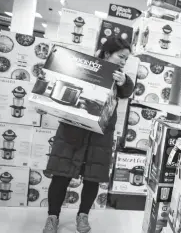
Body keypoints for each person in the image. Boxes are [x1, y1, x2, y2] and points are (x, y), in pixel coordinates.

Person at [42, 37, 134, 233]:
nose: (123, 62)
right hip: (73, 128)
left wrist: (124, 81)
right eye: (121, 56)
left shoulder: (119, 76)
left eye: (126, 59)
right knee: (61, 174)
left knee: (92, 176)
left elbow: (127, 91)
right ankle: (53, 217)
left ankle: (82, 216)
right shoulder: (81, 64)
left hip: (101, 133)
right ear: (107, 53)